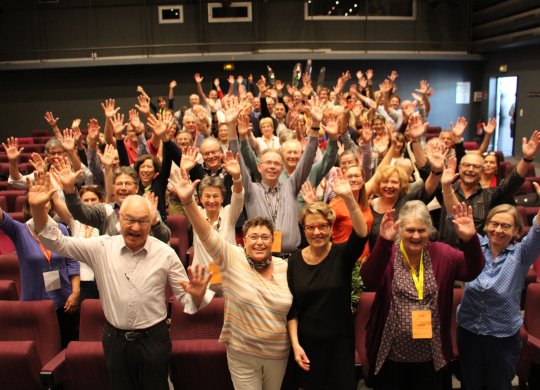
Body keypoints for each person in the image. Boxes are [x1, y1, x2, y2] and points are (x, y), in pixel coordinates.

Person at [29, 171, 213, 390]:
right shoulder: (101, 247)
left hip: (154, 339)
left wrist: (198, 294)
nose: (135, 227)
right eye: (130, 220)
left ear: (151, 222)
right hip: (115, 340)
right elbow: (56, 243)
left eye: (142, 221)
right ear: (119, 219)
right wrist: (38, 209)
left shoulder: (165, 253)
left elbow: (185, 298)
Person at [170, 168, 292, 390]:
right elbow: (206, 235)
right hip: (242, 350)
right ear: (243, 241)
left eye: (265, 237)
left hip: (277, 353)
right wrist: (188, 202)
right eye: (253, 237)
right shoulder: (234, 256)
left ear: (272, 240)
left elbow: (295, 311)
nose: (259, 242)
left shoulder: (285, 267)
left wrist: (237, 178)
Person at [361, 201, 485, 389]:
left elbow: (473, 270)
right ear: (400, 230)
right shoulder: (389, 252)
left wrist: (470, 241)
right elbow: (370, 281)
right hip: (391, 356)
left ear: (429, 230)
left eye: (421, 230)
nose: (416, 236)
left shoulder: (444, 253)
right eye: (410, 230)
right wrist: (383, 242)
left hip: (431, 358)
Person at [287, 170, 368, 390]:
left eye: (323, 226)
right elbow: (292, 310)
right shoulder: (294, 261)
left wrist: (349, 198)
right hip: (307, 346)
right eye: (311, 227)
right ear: (304, 230)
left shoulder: (342, 255)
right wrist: (295, 346)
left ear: (331, 229)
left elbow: (361, 234)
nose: (317, 232)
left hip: (339, 345)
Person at [457, 204, 540, 390]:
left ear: (516, 230)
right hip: (469, 332)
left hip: (502, 338)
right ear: (486, 225)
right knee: (470, 384)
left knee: (499, 385)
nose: (498, 230)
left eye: (506, 226)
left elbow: (538, 231)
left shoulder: (522, 253)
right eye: (494, 224)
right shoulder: (475, 245)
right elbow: (455, 215)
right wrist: (446, 186)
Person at [0, 182, 80, 348]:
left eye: (47, 200)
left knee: (67, 347)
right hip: (34, 304)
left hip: (64, 302)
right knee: (42, 351)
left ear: (51, 203)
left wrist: (76, 292)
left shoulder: (61, 229)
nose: (43, 203)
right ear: (30, 204)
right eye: (37, 200)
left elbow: (71, 261)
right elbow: (3, 218)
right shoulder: (19, 230)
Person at [438, 130, 539, 248]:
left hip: (475, 255)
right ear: (459, 168)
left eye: (476, 167)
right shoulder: (445, 189)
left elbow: (511, 183)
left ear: (482, 172)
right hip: (446, 252)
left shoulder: (490, 195)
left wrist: (526, 159)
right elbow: (424, 187)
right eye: (466, 165)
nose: (470, 169)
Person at [191, 151, 244, 295]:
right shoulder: (197, 216)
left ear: (222, 198)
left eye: (216, 196)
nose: (211, 200)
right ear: (200, 199)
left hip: (230, 280)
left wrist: (237, 177)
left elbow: (238, 196)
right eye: (207, 196)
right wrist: (185, 170)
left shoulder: (229, 213)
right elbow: (187, 202)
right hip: (203, 283)